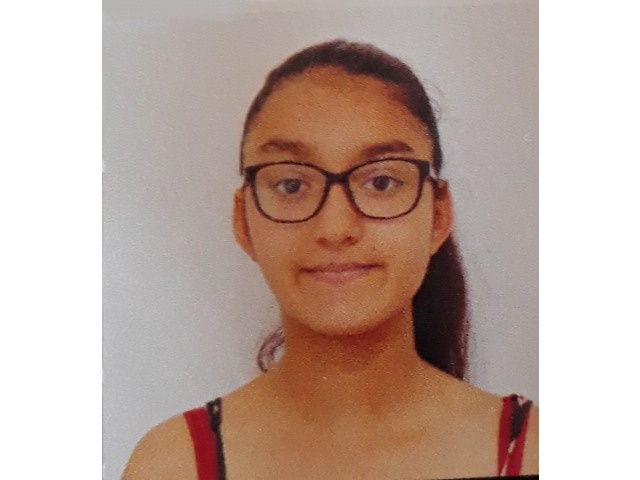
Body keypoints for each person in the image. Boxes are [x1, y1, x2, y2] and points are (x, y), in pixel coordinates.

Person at [122, 39, 538, 480]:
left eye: (381, 182)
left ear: (438, 217)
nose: (335, 228)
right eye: (291, 186)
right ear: (243, 222)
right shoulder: (173, 465)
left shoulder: (540, 453)